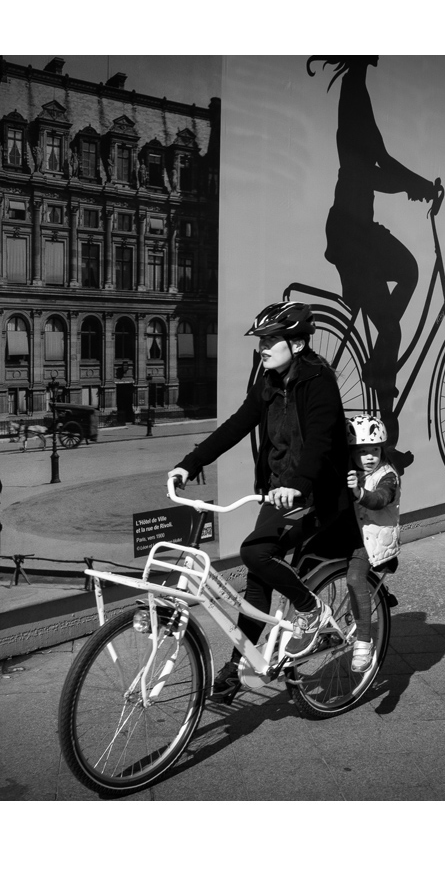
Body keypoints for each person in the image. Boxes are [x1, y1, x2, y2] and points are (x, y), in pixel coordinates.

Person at [168, 300, 358, 700]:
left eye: (271, 339)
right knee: (257, 575)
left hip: (314, 494)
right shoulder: (270, 381)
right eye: (262, 340)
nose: (263, 347)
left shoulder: (318, 380)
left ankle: (311, 610)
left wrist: (300, 483)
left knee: (254, 555)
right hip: (280, 491)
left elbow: (322, 441)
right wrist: (190, 463)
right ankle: (242, 664)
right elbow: (237, 424)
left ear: (298, 343)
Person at [309, 56, 443, 450]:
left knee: (408, 272)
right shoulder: (353, 93)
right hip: (353, 234)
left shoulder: (357, 90)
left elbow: (381, 158)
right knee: (391, 326)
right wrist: (413, 186)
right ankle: (384, 437)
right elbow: (370, 168)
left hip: (358, 229)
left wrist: (416, 184)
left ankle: (378, 362)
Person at [344, 415, 400, 673]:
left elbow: (381, 499)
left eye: (374, 450)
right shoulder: (349, 471)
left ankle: (364, 643)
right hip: (350, 534)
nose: (369, 457)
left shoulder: (388, 476)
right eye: (362, 451)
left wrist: (360, 493)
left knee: (355, 578)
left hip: (371, 540)